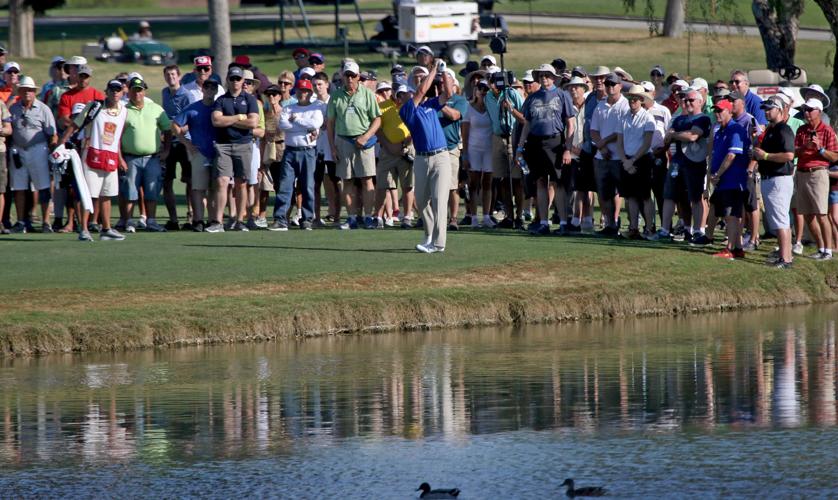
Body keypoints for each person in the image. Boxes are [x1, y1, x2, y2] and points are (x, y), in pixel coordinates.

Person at [399, 59, 453, 253]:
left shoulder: (431, 105)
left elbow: (448, 94)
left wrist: (444, 72)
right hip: (421, 159)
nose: (406, 95)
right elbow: (421, 91)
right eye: (404, 94)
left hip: (441, 157)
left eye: (407, 93)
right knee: (421, 200)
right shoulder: (406, 111)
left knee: (439, 200)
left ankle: (438, 244)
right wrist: (433, 70)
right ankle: (429, 235)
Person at [517, 63, 575, 235]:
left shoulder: (562, 95)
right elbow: (527, 124)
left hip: (555, 142)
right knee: (540, 182)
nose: (544, 78)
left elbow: (570, 124)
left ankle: (563, 222)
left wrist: (567, 148)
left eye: (547, 75)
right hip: (535, 143)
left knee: (558, 183)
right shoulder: (532, 98)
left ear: (553, 77)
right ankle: (543, 222)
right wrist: (520, 147)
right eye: (541, 76)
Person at [68, 79, 130, 241]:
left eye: (118, 90)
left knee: (107, 194)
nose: (115, 93)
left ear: (122, 92)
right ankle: (84, 230)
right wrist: (61, 145)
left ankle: (106, 228)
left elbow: (117, 136)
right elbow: (75, 125)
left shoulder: (124, 110)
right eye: (112, 90)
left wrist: (119, 157)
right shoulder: (94, 107)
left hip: (110, 157)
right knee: (89, 195)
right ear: (107, 91)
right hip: (91, 154)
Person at [326, 60, 381, 230]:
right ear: (342, 76)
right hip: (343, 141)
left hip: (364, 142)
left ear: (358, 76)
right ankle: (351, 218)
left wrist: (366, 136)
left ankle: (368, 217)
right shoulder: (335, 95)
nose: (349, 78)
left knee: (367, 180)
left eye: (352, 75)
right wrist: (332, 148)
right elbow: (330, 124)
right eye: (346, 75)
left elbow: (377, 119)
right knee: (347, 180)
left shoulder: (367, 94)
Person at [207, 66, 259, 233]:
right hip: (223, 145)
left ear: (243, 81)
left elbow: (253, 123)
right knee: (222, 181)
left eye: (238, 79)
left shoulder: (249, 99)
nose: (235, 82)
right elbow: (216, 121)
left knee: (241, 183)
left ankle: (239, 220)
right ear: (228, 81)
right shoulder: (221, 100)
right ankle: (218, 222)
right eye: (232, 79)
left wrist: (227, 120)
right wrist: (238, 118)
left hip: (244, 144)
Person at [118, 76, 172, 233]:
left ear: (144, 91)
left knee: (151, 191)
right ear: (129, 92)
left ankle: (151, 221)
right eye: (134, 90)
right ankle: (129, 221)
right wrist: (120, 157)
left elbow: (167, 129)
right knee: (130, 191)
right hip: (130, 157)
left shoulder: (155, 108)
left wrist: (167, 150)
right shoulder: (124, 110)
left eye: (140, 90)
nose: (137, 93)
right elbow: (117, 136)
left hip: (152, 158)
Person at [658, 89, 711, 244]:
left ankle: (698, 230)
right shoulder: (679, 119)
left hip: (695, 163)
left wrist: (675, 135)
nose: (687, 103)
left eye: (691, 100)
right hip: (677, 162)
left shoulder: (703, 119)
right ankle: (665, 230)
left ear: (700, 102)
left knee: (695, 197)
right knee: (671, 196)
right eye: (685, 100)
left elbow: (693, 136)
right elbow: (668, 137)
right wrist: (677, 135)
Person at [270, 78, 323, 231]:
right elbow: (284, 125)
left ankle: (307, 220)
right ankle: (280, 219)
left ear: (310, 92)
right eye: (300, 90)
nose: (302, 94)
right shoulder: (289, 108)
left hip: (308, 151)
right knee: (285, 186)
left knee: (307, 186)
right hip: (290, 150)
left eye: (306, 91)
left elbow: (315, 124)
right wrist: (304, 127)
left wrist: (297, 120)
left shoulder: (316, 107)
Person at [751, 96, 796, 268]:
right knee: (777, 220)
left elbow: (789, 155)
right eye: (765, 109)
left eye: (770, 108)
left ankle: (786, 259)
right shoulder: (771, 129)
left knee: (781, 220)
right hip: (770, 178)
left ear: (779, 109)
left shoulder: (783, 130)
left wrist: (766, 156)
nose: (766, 112)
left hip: (779, 179)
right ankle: (784, 255)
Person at [8, 77, 57, 233]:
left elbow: (53, 134)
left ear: (34, 92)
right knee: (19, 187)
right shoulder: (14, 108)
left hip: (38, 149)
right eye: (24, 89)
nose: (27, 92)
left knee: (43, 187)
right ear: (20, 91)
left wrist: (52, 151)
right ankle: (21, 221)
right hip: (18, 150)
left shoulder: (43, 109)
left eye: (30, 90)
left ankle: (46, 222)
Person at [173, 75, 221, 232]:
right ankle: (198, 220)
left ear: (216, 90)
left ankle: (213, 220)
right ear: (202, 89)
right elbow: (175, 125)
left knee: (214, 189)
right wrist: (187, 144)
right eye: (207, 87)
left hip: (218, 153)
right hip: (199, 152)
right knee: (198, 189)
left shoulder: (219, 108)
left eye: (213, 87)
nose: (210, 90)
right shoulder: (194, 108)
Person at [793, 98, 836, 261]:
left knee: (821, 213)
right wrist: (805, 147)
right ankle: (821, 248)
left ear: (819, 111)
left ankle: (828, 250)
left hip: (818, 173)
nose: (807, 113)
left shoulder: (827, 131)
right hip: (802, 172)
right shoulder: (802, 130)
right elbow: (794, 152)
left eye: (810, 110)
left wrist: (820, 149)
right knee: (808, 214)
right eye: (805, 109)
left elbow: (834, 157)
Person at [709, 98, 749, 260]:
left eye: (720, 110)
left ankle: (730, 249)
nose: (717, 114)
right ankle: (738, 247)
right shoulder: (720, 131)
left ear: (729, 111)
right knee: (728, 215)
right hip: (723, 181)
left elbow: (732, 154)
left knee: (731, 215)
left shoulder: (735, 129)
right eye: (716, 111)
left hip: (732, 179)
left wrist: (718, 174)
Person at [485, 70, 526, 228]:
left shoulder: (512, 94)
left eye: (495, 81)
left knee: (516, 180)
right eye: (491, 81)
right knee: (502, 180)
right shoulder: (488, 96)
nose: (493, 85)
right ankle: (509, 216)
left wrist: (511, 109)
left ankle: (520, 216)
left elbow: (524, 119)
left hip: (512, 137)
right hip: (497, 138)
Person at [616, 84, 656, 239]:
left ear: (641, 100)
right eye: (630, 98)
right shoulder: (624, 117)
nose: (632, 101)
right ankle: (633, 228)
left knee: (645, 196)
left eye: (635, 98)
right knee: (630, 196)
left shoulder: (648, 118)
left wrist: (631, 160)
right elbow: (619, 142)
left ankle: (649, 228)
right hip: (627, 159)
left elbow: (646, 144)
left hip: (643, 159)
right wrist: (625, 161)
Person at [590, 72, 628, 235]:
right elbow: (593, 130)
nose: (610, 87)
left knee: (620, 192)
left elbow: (622, 131)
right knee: (604, 192)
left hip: (619, 156)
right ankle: (610, 224)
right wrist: (602, 147)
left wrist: (603, 143)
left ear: (620, 86)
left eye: (613, 84)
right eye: (608, 85)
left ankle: (619, 221)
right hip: (602, 156)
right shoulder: (601, 105)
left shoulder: (626, 105)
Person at [374, 81, 415, 229]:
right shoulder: (383, 106)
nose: (401, 97)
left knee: (408, 186)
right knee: (383, 185)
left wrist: (404, 144)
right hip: (387, 152)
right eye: (399, 93)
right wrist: (389, 145)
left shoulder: (411, 107)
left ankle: (407, 216)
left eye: (404, 94)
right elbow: (377, 129)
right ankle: (378, 217)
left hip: (407, 150)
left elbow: (415, 127)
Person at [161, 64, 193, 230]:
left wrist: (178, 131)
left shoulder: (186, 95)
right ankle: (173, 219)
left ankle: (191, 216)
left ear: (179, 76)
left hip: (184, 142)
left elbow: (192, 119)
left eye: (173, 74)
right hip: (168, 142)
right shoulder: (165, 93)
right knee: (167, 181)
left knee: (189, 180)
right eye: (167, 75)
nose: (171, 77)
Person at [462, 78, 494, 228]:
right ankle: (474, 217)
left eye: (485, 89)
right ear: (475, 90)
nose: (482, 91)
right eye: (480, 88)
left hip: (489, 149)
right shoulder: (469, 108)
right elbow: (465, 134)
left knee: (487, 183)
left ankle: (486, 216)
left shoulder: (491, 108)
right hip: (473, 149)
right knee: (474, 184)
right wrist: (465, 155)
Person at [438, 69, 467, 230]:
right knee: (434, 186)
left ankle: (453, 218)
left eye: (446, 81)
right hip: (433, 149)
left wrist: (439, 104)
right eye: (441, 82)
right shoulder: (433, 99)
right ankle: (437, 217)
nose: (444, 85)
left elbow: (455, 115)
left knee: (452, 186)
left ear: (453, 83)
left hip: (451, 148)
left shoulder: (459, 100)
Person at [0, 99, 11, 234]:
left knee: (0, 189)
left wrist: (1, 130)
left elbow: (9, 129)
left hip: (0, 151)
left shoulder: (1, 104)